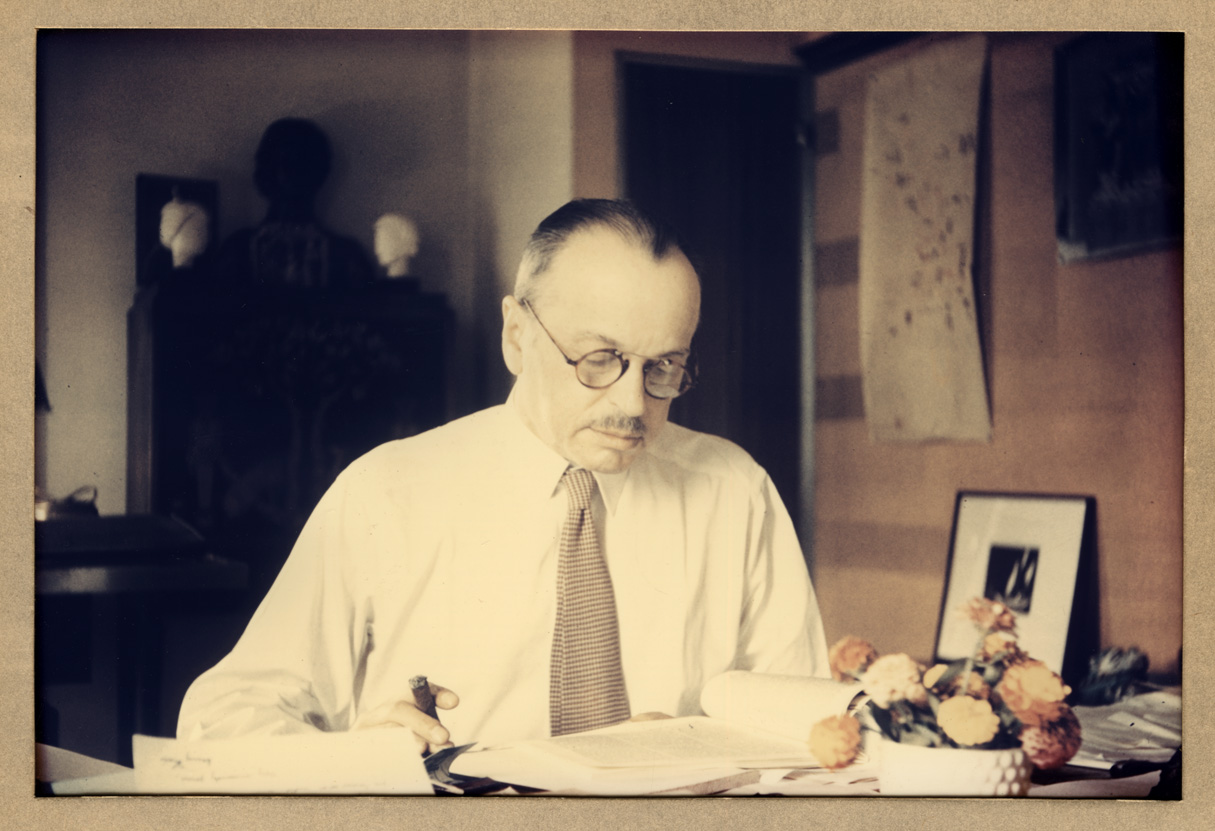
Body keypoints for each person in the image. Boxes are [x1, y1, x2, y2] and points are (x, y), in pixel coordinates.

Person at [177, 198, 828, 754]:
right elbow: (217, 717)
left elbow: (809, 725)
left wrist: (694, 747)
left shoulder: (735, 490)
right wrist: (354, 758)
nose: (632, 404)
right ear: (516, 335)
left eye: (662, 367)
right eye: (601, 359)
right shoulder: (386, 491)